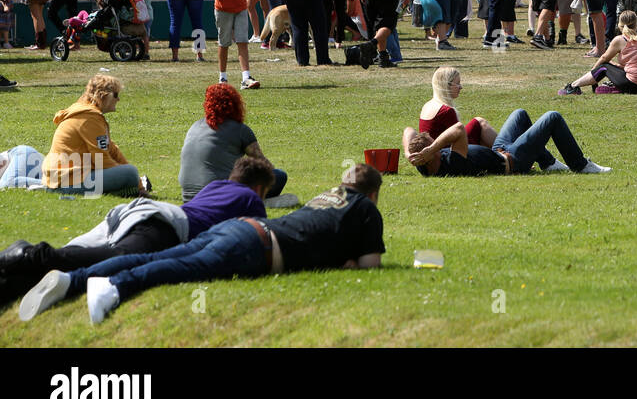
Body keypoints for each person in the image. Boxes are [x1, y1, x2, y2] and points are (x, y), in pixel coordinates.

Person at [21, 163, 387, 325]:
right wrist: (349, 263)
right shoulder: (366, 211)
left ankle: (75, 279)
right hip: (256, 244)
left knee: (171, 256)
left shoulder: (323, 197)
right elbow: (371, 266)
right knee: (183, 268)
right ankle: (115, 287)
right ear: (371, 195)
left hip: (238, 228)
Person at [0, 157, 275, 306]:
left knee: (86, 251)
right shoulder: (250, 199)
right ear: (259, 188)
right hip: (165, 223)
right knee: (115, 258)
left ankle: (10, 285)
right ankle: (31, 254)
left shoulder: (215, 187)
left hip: (137, 211)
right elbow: (256, 233)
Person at [404, 107, 610, 176]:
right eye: (434, 147)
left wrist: (408, 153)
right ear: (432, 156)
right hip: (513, 160)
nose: (438, 146)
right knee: (552, 117)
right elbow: (458, 130)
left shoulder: (422, 164)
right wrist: (433, 147)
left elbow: (408, 130)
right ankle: (580, 165)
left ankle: (547, 163)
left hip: (499, 149)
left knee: (519, 114)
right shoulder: (451, 164)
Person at [178, 83, 288, 201]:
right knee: (279, 175)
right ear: (236, 104)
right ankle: (258, 201)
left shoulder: (195, 126)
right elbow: (266, 167)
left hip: (189, 196)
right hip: (222, 194)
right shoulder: (240, 130)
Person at [41, 75, 146, 196]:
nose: (118, 100)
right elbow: (101, 160)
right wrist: (135, 181)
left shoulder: (88, 114)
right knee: (130, 173)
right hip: (66, 183)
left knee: (129, 172)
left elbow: (111, 150)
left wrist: (138, 184)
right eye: (116, 95)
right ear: (103, 95)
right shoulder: (90, 118)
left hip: (62, 179)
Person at [560, 10, 637, 95]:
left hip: (635, 85)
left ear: (620, 25)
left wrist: (593, 73)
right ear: (636, 24)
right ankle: (615, 87)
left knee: (604, 66)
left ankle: (573, 86)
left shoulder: (620, 40)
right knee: (611, 65)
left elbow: (604, 59)